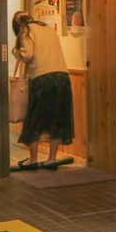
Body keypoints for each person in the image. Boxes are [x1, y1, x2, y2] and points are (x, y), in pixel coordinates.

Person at [12, 11, 73, 168]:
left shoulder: (25, 30)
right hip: (62, 77)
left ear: (17, 26)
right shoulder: (47, 28)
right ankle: (52, 159)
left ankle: (33, 160)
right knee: (57, 119)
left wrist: (16, 52)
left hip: (41, 78)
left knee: (34, 119)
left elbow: (27, 55)